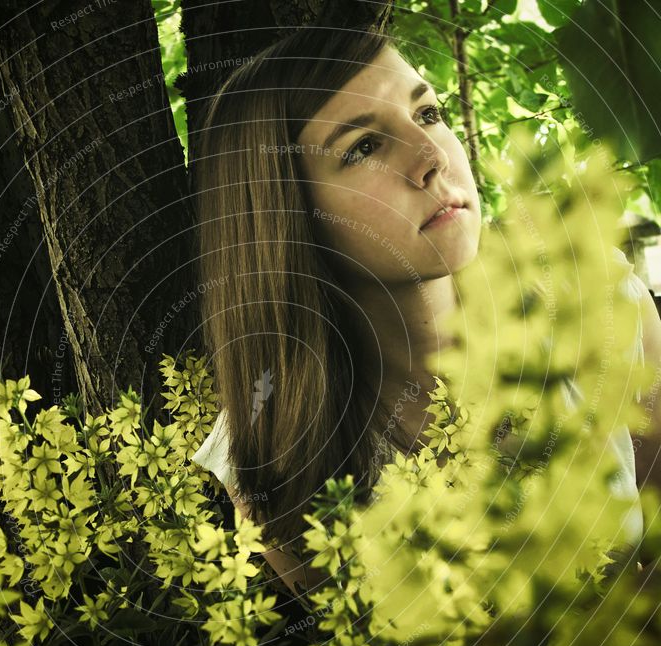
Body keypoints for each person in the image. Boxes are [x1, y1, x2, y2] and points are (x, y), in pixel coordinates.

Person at [190, 24, 661, 594]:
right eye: (363, 146)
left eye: (429, 114)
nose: (431, 157)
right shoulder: (268, 447)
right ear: (288, 216)